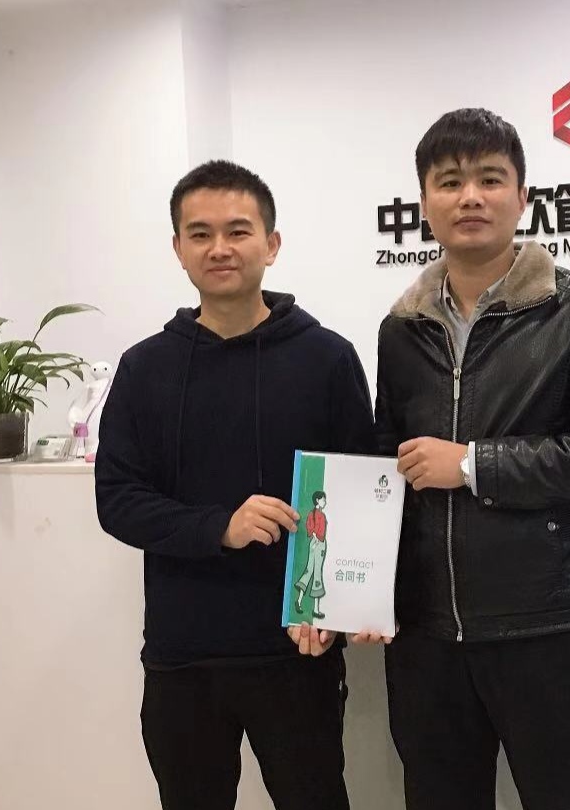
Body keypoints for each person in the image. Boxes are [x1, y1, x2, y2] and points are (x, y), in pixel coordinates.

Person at [373, 108, 570, 810]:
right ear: (424, 202)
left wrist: (474, 465)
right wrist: (358, 591)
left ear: (522, 197)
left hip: (546, 627)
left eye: (490, 179)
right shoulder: (401, 329)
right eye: (450, 182)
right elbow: (384, 472)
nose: (470, 196)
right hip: (428, 636)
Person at [94, 160, 372, 810]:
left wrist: (336, 609)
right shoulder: (144, 368)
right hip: (183, 653)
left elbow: (359, 490)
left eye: (238, 231)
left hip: (296, 650)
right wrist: (219, 526)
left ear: (271, 244)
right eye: (201, 233)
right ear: (178, 249)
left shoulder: (327, 358)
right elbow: (118, 501)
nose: (219, 247)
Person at [295, 490, 328, 618]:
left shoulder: (313, 514)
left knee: (309, 570)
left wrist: (313, 536)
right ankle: (315, 609)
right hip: (319, 544)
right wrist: (316, 537)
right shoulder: (320, 515)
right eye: (323, 499)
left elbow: (310, 527)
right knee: (317, 573)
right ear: (318, 500)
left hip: (314, 543)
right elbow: (317, 530)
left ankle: (299, 601)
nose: (325, 502)